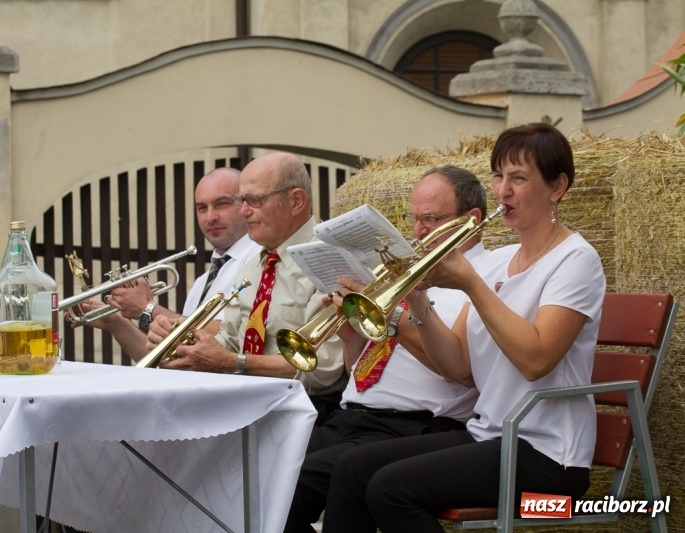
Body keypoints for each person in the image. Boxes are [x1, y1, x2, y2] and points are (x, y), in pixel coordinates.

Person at [320, 123, 606, 533]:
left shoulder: (575, 260)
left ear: (557, 186)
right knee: (351, 469)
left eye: (519, 178)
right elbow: (455, 363)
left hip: (548, 455)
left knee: (390, 488)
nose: (503, 190)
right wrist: (416, 298)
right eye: (498, 176)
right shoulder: (501, 258)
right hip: (489, 435)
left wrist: (471, 284)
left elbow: (536, 360)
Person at [284, 165, 491, 532]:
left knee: (294, 482)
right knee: (261, 468)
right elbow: (360, 372)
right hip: (352, 419)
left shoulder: (483, 277)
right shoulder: (410, 270)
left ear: (470, 219)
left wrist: (394, 316)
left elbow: (459, 370)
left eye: (430, 218)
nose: (416, 232)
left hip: (413, 427)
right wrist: (351, 334)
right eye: (415, 219)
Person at [162, 152, 347, 422]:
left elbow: (323, 371)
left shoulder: (328, 261)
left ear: (296, 201)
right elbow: (230, 340)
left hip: (302, 412)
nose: (243, 211)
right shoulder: (254, 263)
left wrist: (232, 364)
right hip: (249, 405)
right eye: (241, 200)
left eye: (254, 200)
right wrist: (183, 340)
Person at [66, 167, 259, 361]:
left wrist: (148, 308)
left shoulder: (259, 259)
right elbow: (169, 359)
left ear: (245, 204)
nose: (210, 217)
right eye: (202, 208)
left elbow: (234, 334)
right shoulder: (203, 281)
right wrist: (114, 322)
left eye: (222, 204)